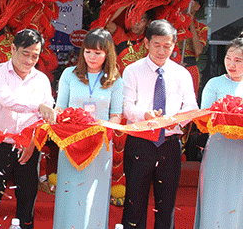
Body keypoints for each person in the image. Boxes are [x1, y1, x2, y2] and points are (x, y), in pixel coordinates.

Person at [0, 29, 56, 229]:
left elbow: (46, 115)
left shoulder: (41, 79)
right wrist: (39, 106)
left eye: (35, 56)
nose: (30, 60)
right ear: (13, 49)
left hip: (29, 147)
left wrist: (33, 142)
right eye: (26, 54)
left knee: (27, 200)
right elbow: (9, 101)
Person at [122, 19, 198, 229]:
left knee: (166, 206)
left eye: (167, 46)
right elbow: (127, 106)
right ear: (146, 43)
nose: (162, 51)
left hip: (170, 143)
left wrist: (173, 119)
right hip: (140, 143)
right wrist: (145, 116)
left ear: (174, 45)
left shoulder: (181, 73)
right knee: (134, 204)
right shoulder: (132, 70)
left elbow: (191, 106)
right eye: (157, 45)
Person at [52, 27, 123, 229]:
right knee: (70, 191)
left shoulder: (115, 81)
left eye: (98, 53)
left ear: (107, 54)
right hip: (72, 143)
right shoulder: (69, 74)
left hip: (99, 146)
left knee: (95, 194)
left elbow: (116, 115)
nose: (92, 57)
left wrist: (101, 128)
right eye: (88, 51)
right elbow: (60, 108)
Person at [193, 35, 243, 229]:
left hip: (240, 151)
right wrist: (224, 117)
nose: (231, 64)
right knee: (215, 195)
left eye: (238, 60)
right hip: (218, 148)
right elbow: (203, 120)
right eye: (229, 58)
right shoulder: (214, 84)